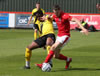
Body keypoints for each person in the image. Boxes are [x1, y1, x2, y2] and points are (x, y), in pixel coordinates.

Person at [37, 5, 88, 70]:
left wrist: (83, 28)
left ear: (59, 10)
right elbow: (50, 17)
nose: (56, 14)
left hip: (65, 36)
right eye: (54, 13)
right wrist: (45, 18)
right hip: (59, 36)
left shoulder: (65, 15)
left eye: (57, 13)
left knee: (52, 47)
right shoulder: (55, 15)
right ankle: (68, 60)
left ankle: (44, 64)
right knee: (56, 56)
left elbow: (75, 19)